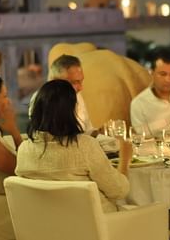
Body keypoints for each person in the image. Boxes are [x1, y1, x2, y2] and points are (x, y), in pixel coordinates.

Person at [16, 79, 132, 213]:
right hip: (97, 227)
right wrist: (125, 160)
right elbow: (119, 190)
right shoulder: (84, 146)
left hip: (47, 228)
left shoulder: (24, 150)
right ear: (71, 110)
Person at [28, 54, 95, 135]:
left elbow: (88, 130)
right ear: (55, 81)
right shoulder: (42, 99)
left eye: (81, 81)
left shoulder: (77, 95)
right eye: (75, 82)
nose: (81, 88)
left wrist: (99, 133)